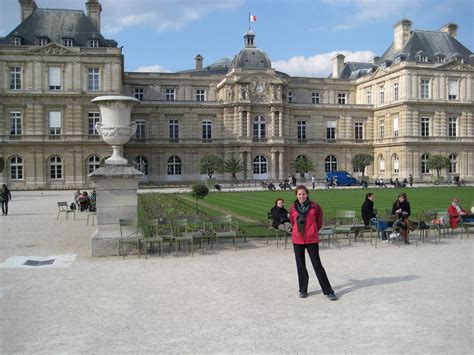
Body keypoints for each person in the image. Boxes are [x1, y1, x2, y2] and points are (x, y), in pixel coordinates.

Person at [289, 185, 337, 301]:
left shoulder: (314, 206)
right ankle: (303, 289)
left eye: (304, 194)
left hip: (311, 239)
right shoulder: (293, 207)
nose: (302, 196)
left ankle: (328, 291)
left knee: (317, 265)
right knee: (300, 266)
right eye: (299, 194)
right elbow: (292, 221)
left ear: (307, 194)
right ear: (296, 195)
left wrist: (312, 230)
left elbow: (319, 221)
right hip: (298, 239)